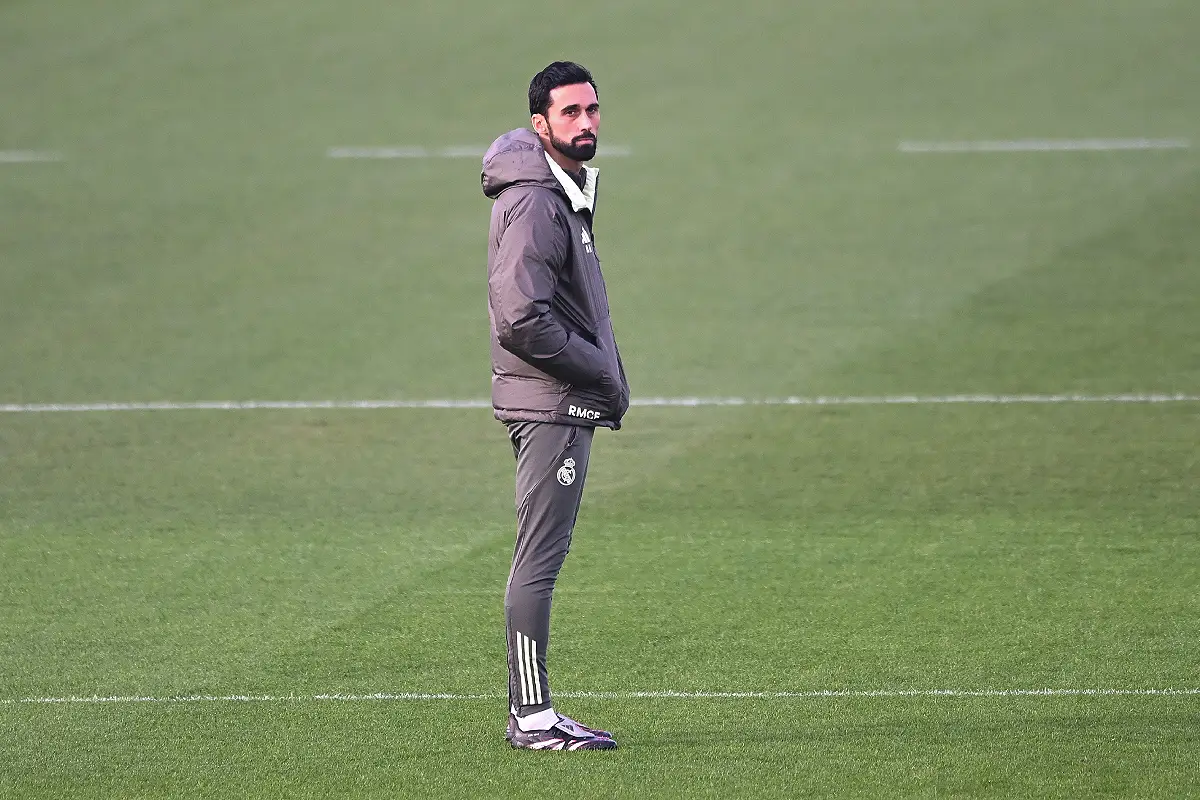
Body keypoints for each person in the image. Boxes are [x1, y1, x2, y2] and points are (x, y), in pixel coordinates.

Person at [481, 61, 630, 751]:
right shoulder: (539, 201)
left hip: (556, 398)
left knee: (544, 552)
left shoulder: (559, 190)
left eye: (593, 110)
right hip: (551, 403)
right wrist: (596, 367)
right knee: (539, 556)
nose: (587, 123)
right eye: (571, 113)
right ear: (540, 124)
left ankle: (533, 714)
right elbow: (521, 318)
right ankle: (532, 717)